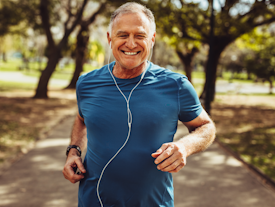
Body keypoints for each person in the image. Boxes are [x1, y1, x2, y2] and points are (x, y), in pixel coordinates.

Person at [63, 2, 216, 207]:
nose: (131, 43)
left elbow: (206, 127)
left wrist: (184, 146)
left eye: (140, 35)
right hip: (92, 200)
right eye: (123, 35)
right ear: (110, 38)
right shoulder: (87, 83)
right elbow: (82, 119)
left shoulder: (176, 85)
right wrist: (74, 151)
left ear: (152, 40)